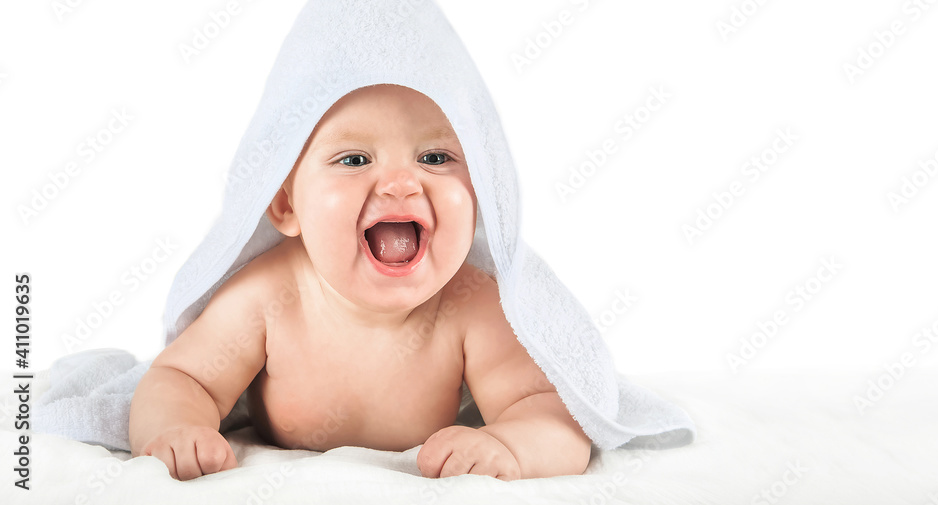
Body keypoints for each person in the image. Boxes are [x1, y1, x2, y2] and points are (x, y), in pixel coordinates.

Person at [128, 83, 592, 481]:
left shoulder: (470, 303)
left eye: (434, 157)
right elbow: (182, 378)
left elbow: (549, 414)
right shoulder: (269, 296)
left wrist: (511, 447)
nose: (400, 184)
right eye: (353, 159)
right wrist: (178, 430)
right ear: (287, 205)